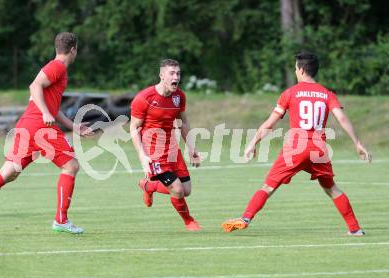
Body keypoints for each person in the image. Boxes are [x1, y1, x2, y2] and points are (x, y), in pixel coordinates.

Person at [0, 32, 93, 235]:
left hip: (28, 124)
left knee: (9, 172)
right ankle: (60, 220)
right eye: (76, 50)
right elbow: (35, 85)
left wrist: (73, 126)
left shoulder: (58, 69)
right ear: (73, 49)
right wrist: (46, 112)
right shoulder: (57, 67)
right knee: (71, 165)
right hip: (40, 127)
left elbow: (53, 107)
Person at [222, 52, 371, 236]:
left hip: (296, 147)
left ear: (301, 69)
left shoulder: (290, 93)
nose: (295, 71)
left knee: (268, 186)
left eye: (295, 68)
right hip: (318, 148)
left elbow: (269, 124)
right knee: (332, 188)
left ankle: (245, 218)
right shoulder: (327, 94)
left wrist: (253, 142)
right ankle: (355, 229)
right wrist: (358, 143)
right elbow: (341, 118)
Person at [130, 59, 202, 231]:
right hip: (153, 152)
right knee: (177, 189)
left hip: (172, 149)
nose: (176, 77)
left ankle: (148, 185)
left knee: (186, 190)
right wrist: (142, 156)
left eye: (178, 73)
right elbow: (134, 128)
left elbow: (183, 122)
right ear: (161, 75)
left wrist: (191, 148)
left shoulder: (179, 97)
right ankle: (189, 221)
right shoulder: (144, 98)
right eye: (172, 73)